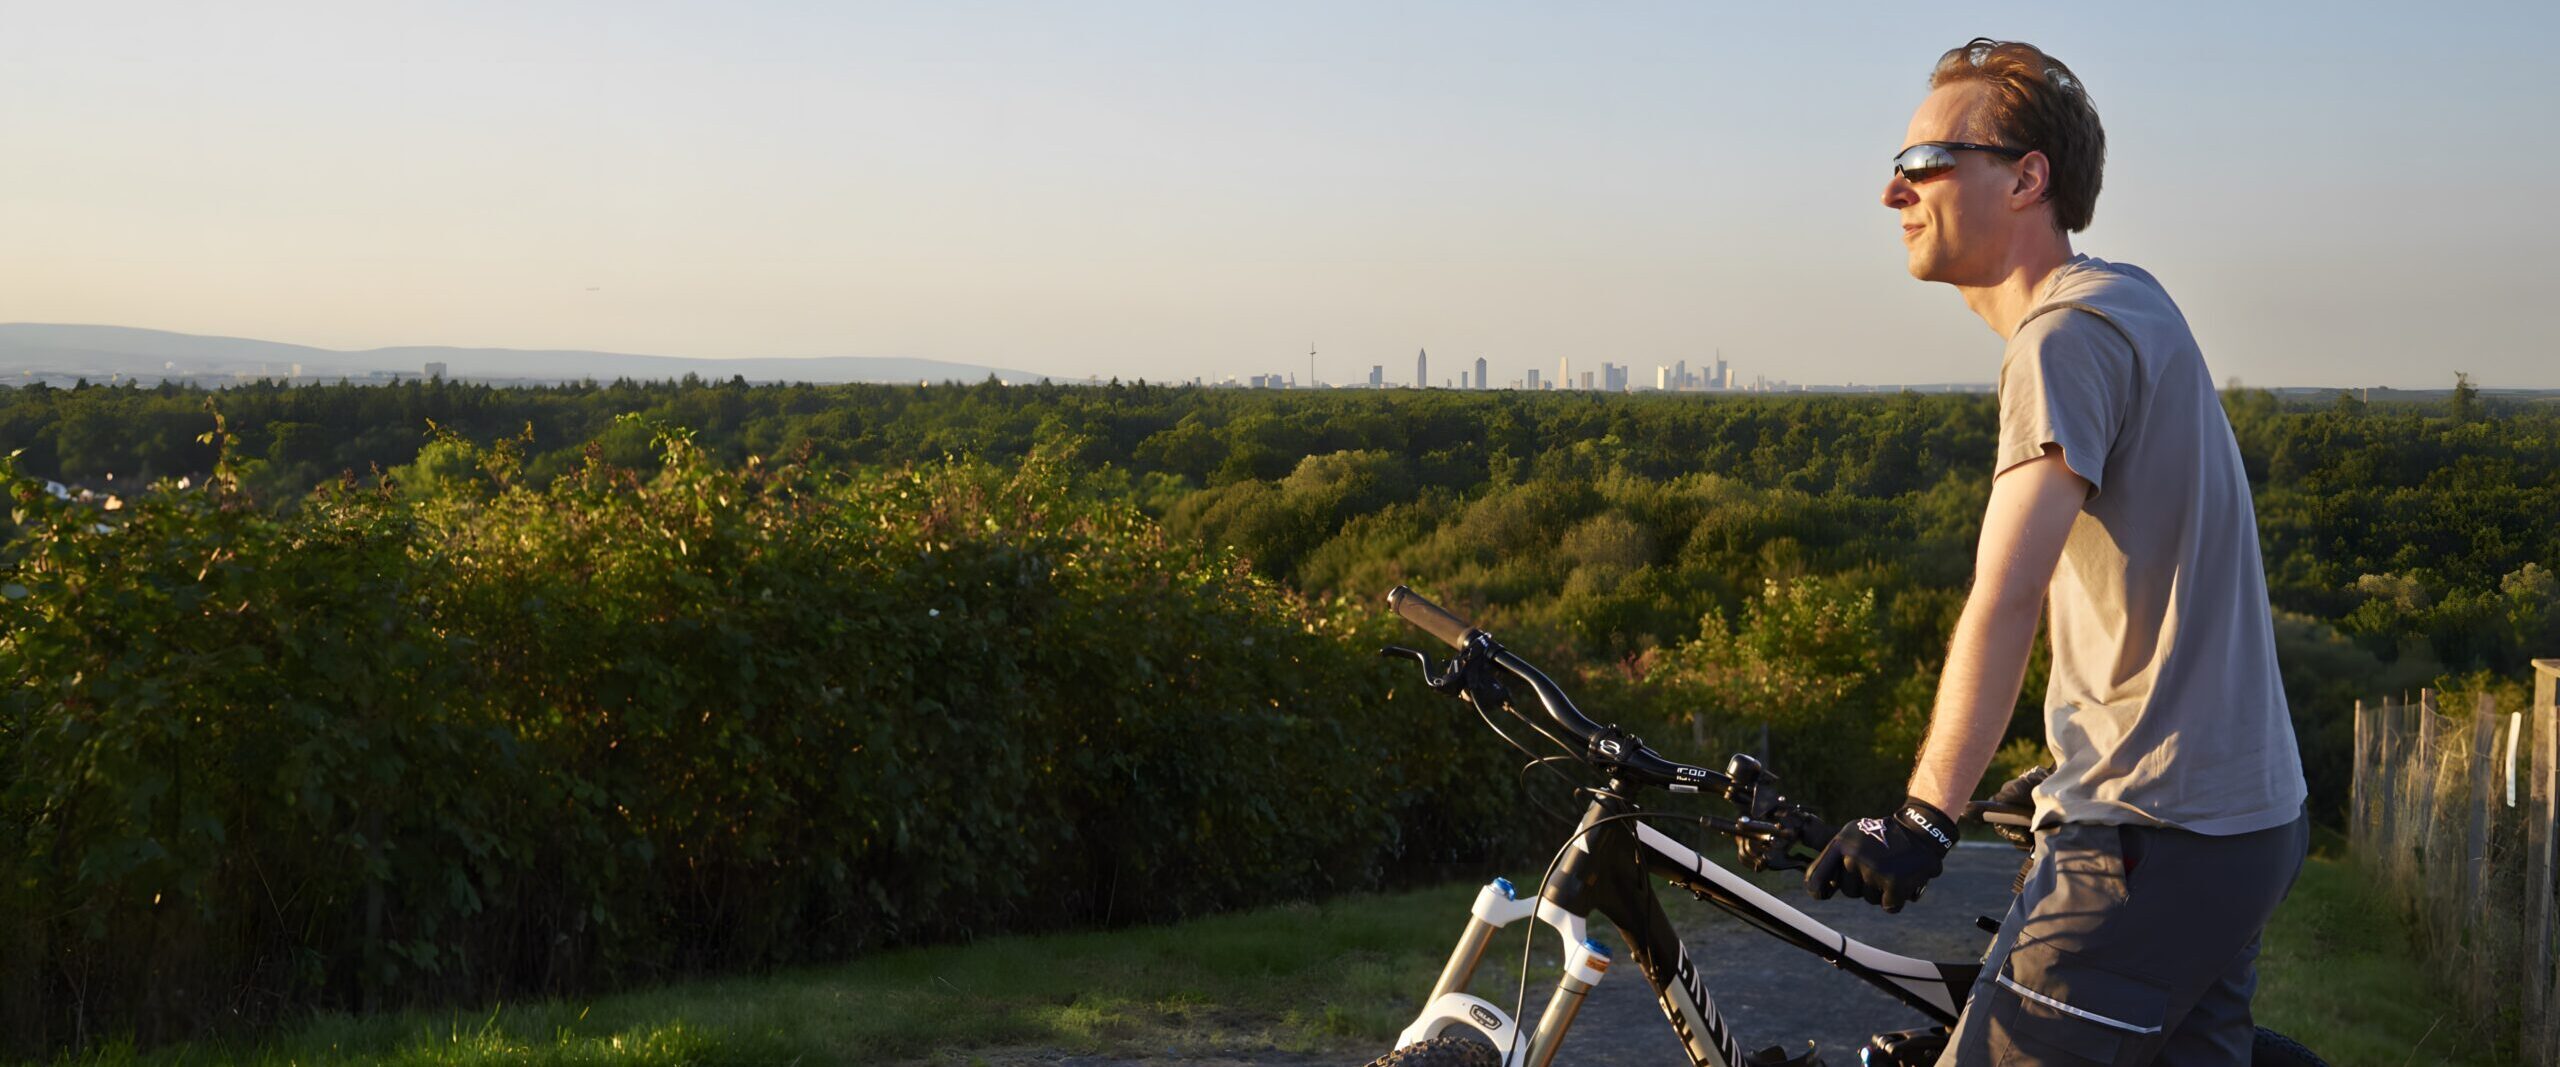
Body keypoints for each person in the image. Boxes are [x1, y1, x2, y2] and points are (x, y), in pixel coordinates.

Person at [1801, 38, 2311, 1065]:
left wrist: (1924, 812)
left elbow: (2006, 592)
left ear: (2026, 176)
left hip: (2147, 835)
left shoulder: (2060, 336)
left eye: (1927, 159)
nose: (1893, 187)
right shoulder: (2133, 301)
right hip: (2242, 819)